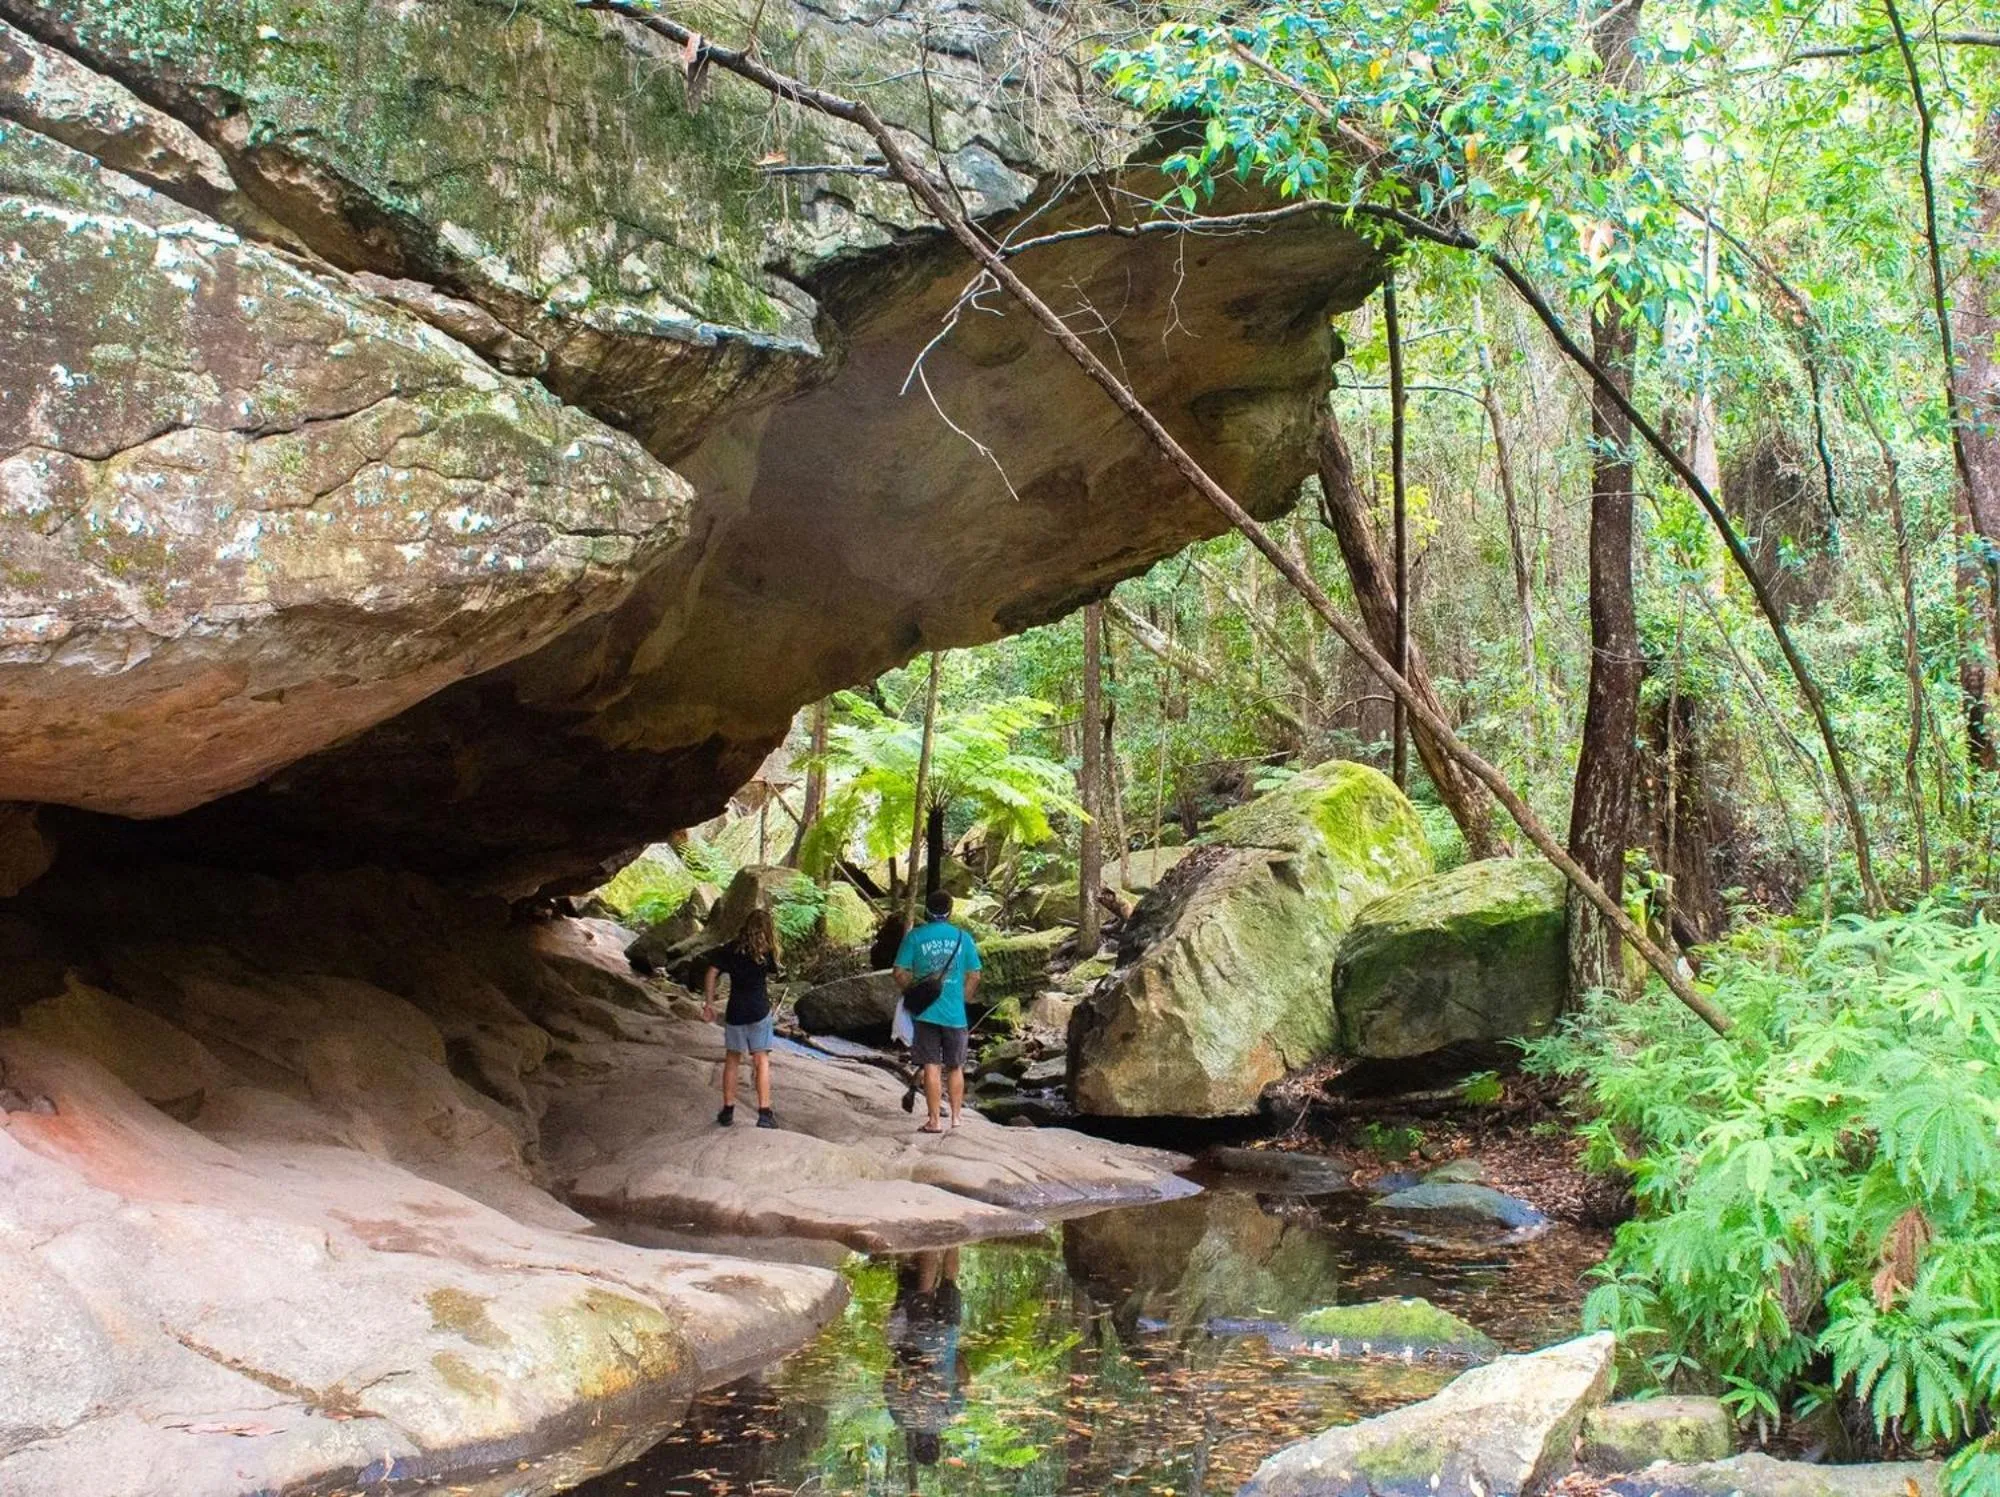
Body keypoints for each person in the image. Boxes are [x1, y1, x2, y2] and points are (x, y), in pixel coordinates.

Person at [892, 889, 981, 1134]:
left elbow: (898, 972)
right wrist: (963, 999)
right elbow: (975, 975)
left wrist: (913, 992)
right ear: (950, 912)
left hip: (926, 1013)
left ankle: (934, 1121)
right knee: (956, 1066)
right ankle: (956, 1118)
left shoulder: (915, 937)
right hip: (955, 1014)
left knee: (931, 1065)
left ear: (927, 911)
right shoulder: (963, 938)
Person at [881, 1247, 966, 1479]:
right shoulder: (903, 1418)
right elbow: (888, 1384)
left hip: (947, 1337)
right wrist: (900, 1359)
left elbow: (963, 1377)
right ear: (916, 1443)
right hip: (917, 1341)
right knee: (925, 1291)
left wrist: (955, 1353)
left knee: (949, 1281)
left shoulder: (951, 1415)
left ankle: (954, 1239)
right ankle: (931, 1240)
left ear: (938, 1443)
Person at [702, 907, 781, 1129]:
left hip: (736, 1011)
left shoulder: (731, 949)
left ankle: (728, 1111)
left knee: (732, 1060)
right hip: (759, 1011)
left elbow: (711, 972)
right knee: (761, 1061)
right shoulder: (767, 952)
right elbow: (773, 973)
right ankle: (764, 1113)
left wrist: (709, 1003)